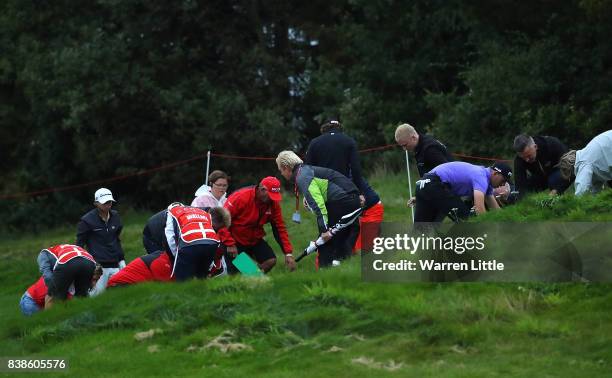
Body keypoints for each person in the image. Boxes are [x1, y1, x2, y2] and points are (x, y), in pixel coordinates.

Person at [276, 151, 362, 268]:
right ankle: (340, 267)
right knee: (339, 241)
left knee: (325, 241)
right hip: (351, 199)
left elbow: (318, 204)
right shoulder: (306, 170)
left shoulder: (302, 176)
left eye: (281, 171)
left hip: (342, 201)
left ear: (286, 168)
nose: (282, 174)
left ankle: (325, 271)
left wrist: (324, 229)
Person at [223, 177, 295, 273]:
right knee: (242, 272)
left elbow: (279, 228)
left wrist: (288, 253)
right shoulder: (240, 198)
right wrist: (229, 243)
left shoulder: (273, 204)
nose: (272, 199)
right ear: (261, 189)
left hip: (254, 239)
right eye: (270, 195)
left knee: (270, 261)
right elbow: (222, 221)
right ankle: (253, 280)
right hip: (234, 240)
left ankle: (254, 281)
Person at [414, 161, 513, 222]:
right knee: (467, 218)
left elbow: (496, 210)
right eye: (503, 180)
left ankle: (413, 254)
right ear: (495, 173)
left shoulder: (484, 180)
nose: (503, 184)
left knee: (421, 230)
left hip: (423, 184)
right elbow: (479, 209)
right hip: (434, 185)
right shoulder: (481, 176)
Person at [76, 188, 125, 296]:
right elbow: (79, 245)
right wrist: (86, 266)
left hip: (116, 264)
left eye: (109, 201)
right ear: (96, 203)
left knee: (119, 295)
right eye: (105, 202)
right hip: (98, 268)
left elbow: (116, 239)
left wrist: (121, 260)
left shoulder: (115, 216)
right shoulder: (86, 221)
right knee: (96, 298)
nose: (108, 204)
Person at [305, 120, 368, 201]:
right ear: (339, 128)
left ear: (324, 128)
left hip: (323, 192)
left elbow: (308, 171)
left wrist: (308, 194)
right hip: (344, 188)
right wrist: (360, 192)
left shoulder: (314, 143)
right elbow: (356, 169)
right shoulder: (349, 141)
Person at [165, 205, 231, 281]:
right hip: (213, 241)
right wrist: (230, 243)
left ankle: (247, 275)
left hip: (205, 241)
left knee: (185, 278)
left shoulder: (213, 212)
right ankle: (246, 275)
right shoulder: (202, 202)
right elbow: (225, 230)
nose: (223, 192)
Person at [395, 123, 453, 208]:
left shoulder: (430, 149)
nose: (404, 149)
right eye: (402, 146)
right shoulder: (420, 147)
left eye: (405, 145)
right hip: (433, 193)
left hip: (442, 194)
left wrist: (425, 196)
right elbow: (428, 176)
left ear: (413, 138)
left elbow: (447, 173)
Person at [20, 264, 102, 316]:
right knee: (40, 329)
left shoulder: (76, 281)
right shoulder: (67, 278)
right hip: (31, 302)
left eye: (97, 280)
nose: (94, 284)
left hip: (42, 302)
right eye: (93, 279)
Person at [36, 244, 98, 309]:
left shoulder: (43, 254)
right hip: (90, 263)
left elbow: (47, 276)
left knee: (51, 297)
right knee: (81, 297)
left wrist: (53, 289)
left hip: (67, 261)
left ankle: (49, 319)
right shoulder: (70, 247)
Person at [558, 130, 612, 196]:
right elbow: (596, 187)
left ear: (570, 169)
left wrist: (573, 204)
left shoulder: (583, 162)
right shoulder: (587, 155)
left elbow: (581, 189)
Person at [107, 251, 174, 287]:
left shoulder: (163, 257)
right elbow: (167, 287)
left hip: (123, 284)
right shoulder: (162, 262)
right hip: (119, 285)